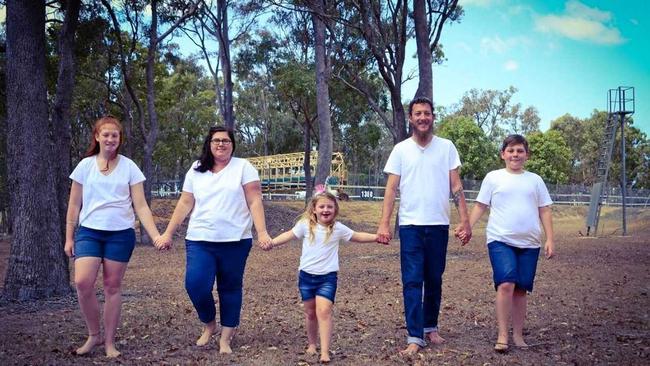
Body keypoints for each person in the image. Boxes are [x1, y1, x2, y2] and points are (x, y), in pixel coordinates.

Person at [156, 126, 272, 354]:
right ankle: (209, 324)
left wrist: (262, 232)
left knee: (230, 288)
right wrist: (168, 233)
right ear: (209, 144)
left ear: (232, 144)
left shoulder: (243, 167)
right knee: (196, 285)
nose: (221, 144)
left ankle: (226, 338)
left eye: (226, 140)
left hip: (236, 240)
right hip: (200, 239)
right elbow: (185, 203)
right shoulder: (196, 169)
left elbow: (254, 201)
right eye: (216, 140)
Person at [376, 97, 472, 355]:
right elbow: (391, 188)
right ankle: (414, 336)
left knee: (434, 278)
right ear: (410, 118)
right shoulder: (401, 150)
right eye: (417, 113)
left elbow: (456, 186)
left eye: (427, 113)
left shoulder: (447, 147)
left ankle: (431, 326)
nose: (422, 118)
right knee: (412, 280)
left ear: (433, 117)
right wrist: (384, 223)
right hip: (410, 227)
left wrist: (465, 220)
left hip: (439, 225)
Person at [64, 115, 161, 358]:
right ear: (97, 137)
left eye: (114, 135)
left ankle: (109, 342)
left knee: (112, 286)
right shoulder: (84, 166)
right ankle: (93, 335)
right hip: (89, 232)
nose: (110, 139)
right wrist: (69, 238)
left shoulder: (129, 167)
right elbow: (74, 205)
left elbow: (140, 206)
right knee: (82, 282)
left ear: (119, 139)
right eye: (105, 134)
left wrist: (156, 236)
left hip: (120, 234)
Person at [262, 191, 386, 363]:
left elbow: (357, 236)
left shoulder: (338, 228)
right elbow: (288, 235)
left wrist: (376, 238)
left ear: (335, 209)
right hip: (306, 277)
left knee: (324, 311)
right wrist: (272, 242)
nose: (325, 209)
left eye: (329, 206)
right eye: (322, 206)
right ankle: (312, 344)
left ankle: (325, 351)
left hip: (327, 278)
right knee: (311, 313)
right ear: (314, 209)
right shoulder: (305, 225)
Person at [466, 134, 555, 353]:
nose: (515, 154)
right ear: (503, 154)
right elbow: (480, 205)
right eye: (511, 150)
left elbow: (544, 209)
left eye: (520, 151)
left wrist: (550, 238)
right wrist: (466, 226)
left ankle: (518, 335)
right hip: (500, 240)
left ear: (527, 155)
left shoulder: (535, 180)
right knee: (506, 283)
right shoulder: (493, 177)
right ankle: (503, 335)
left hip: (530, 243)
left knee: (521, 289)